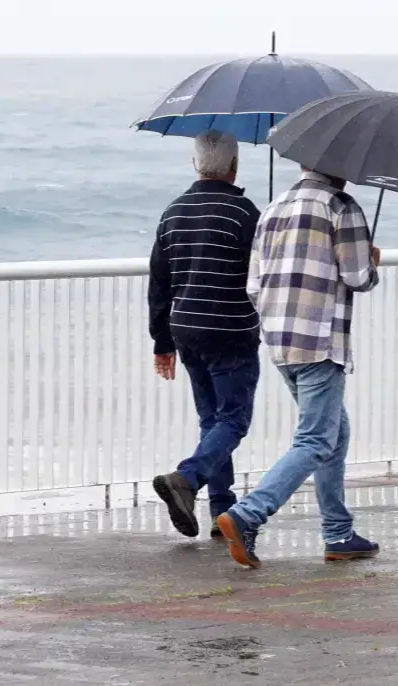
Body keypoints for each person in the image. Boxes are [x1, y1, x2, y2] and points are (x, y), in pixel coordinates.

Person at [215, 165, 382, 568]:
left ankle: (338, 531)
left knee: (334, 432)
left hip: (279, 340)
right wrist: (373, 260)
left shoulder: (273, 207)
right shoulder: (341, 206)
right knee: (316, 440)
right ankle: (248, 514)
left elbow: (253, 285)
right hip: (320, 341)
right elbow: (359, 277)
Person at [148, 130, 262, 539]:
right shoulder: (245, 213)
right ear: (235, 166)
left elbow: (159, 283)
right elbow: (261, 277)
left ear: (194, 164)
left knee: (212, 419)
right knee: (233, 419)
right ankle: (188, 478)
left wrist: (162, 343)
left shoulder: (173, 212)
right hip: (232, 330)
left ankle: (222, 511)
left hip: (187, 331)